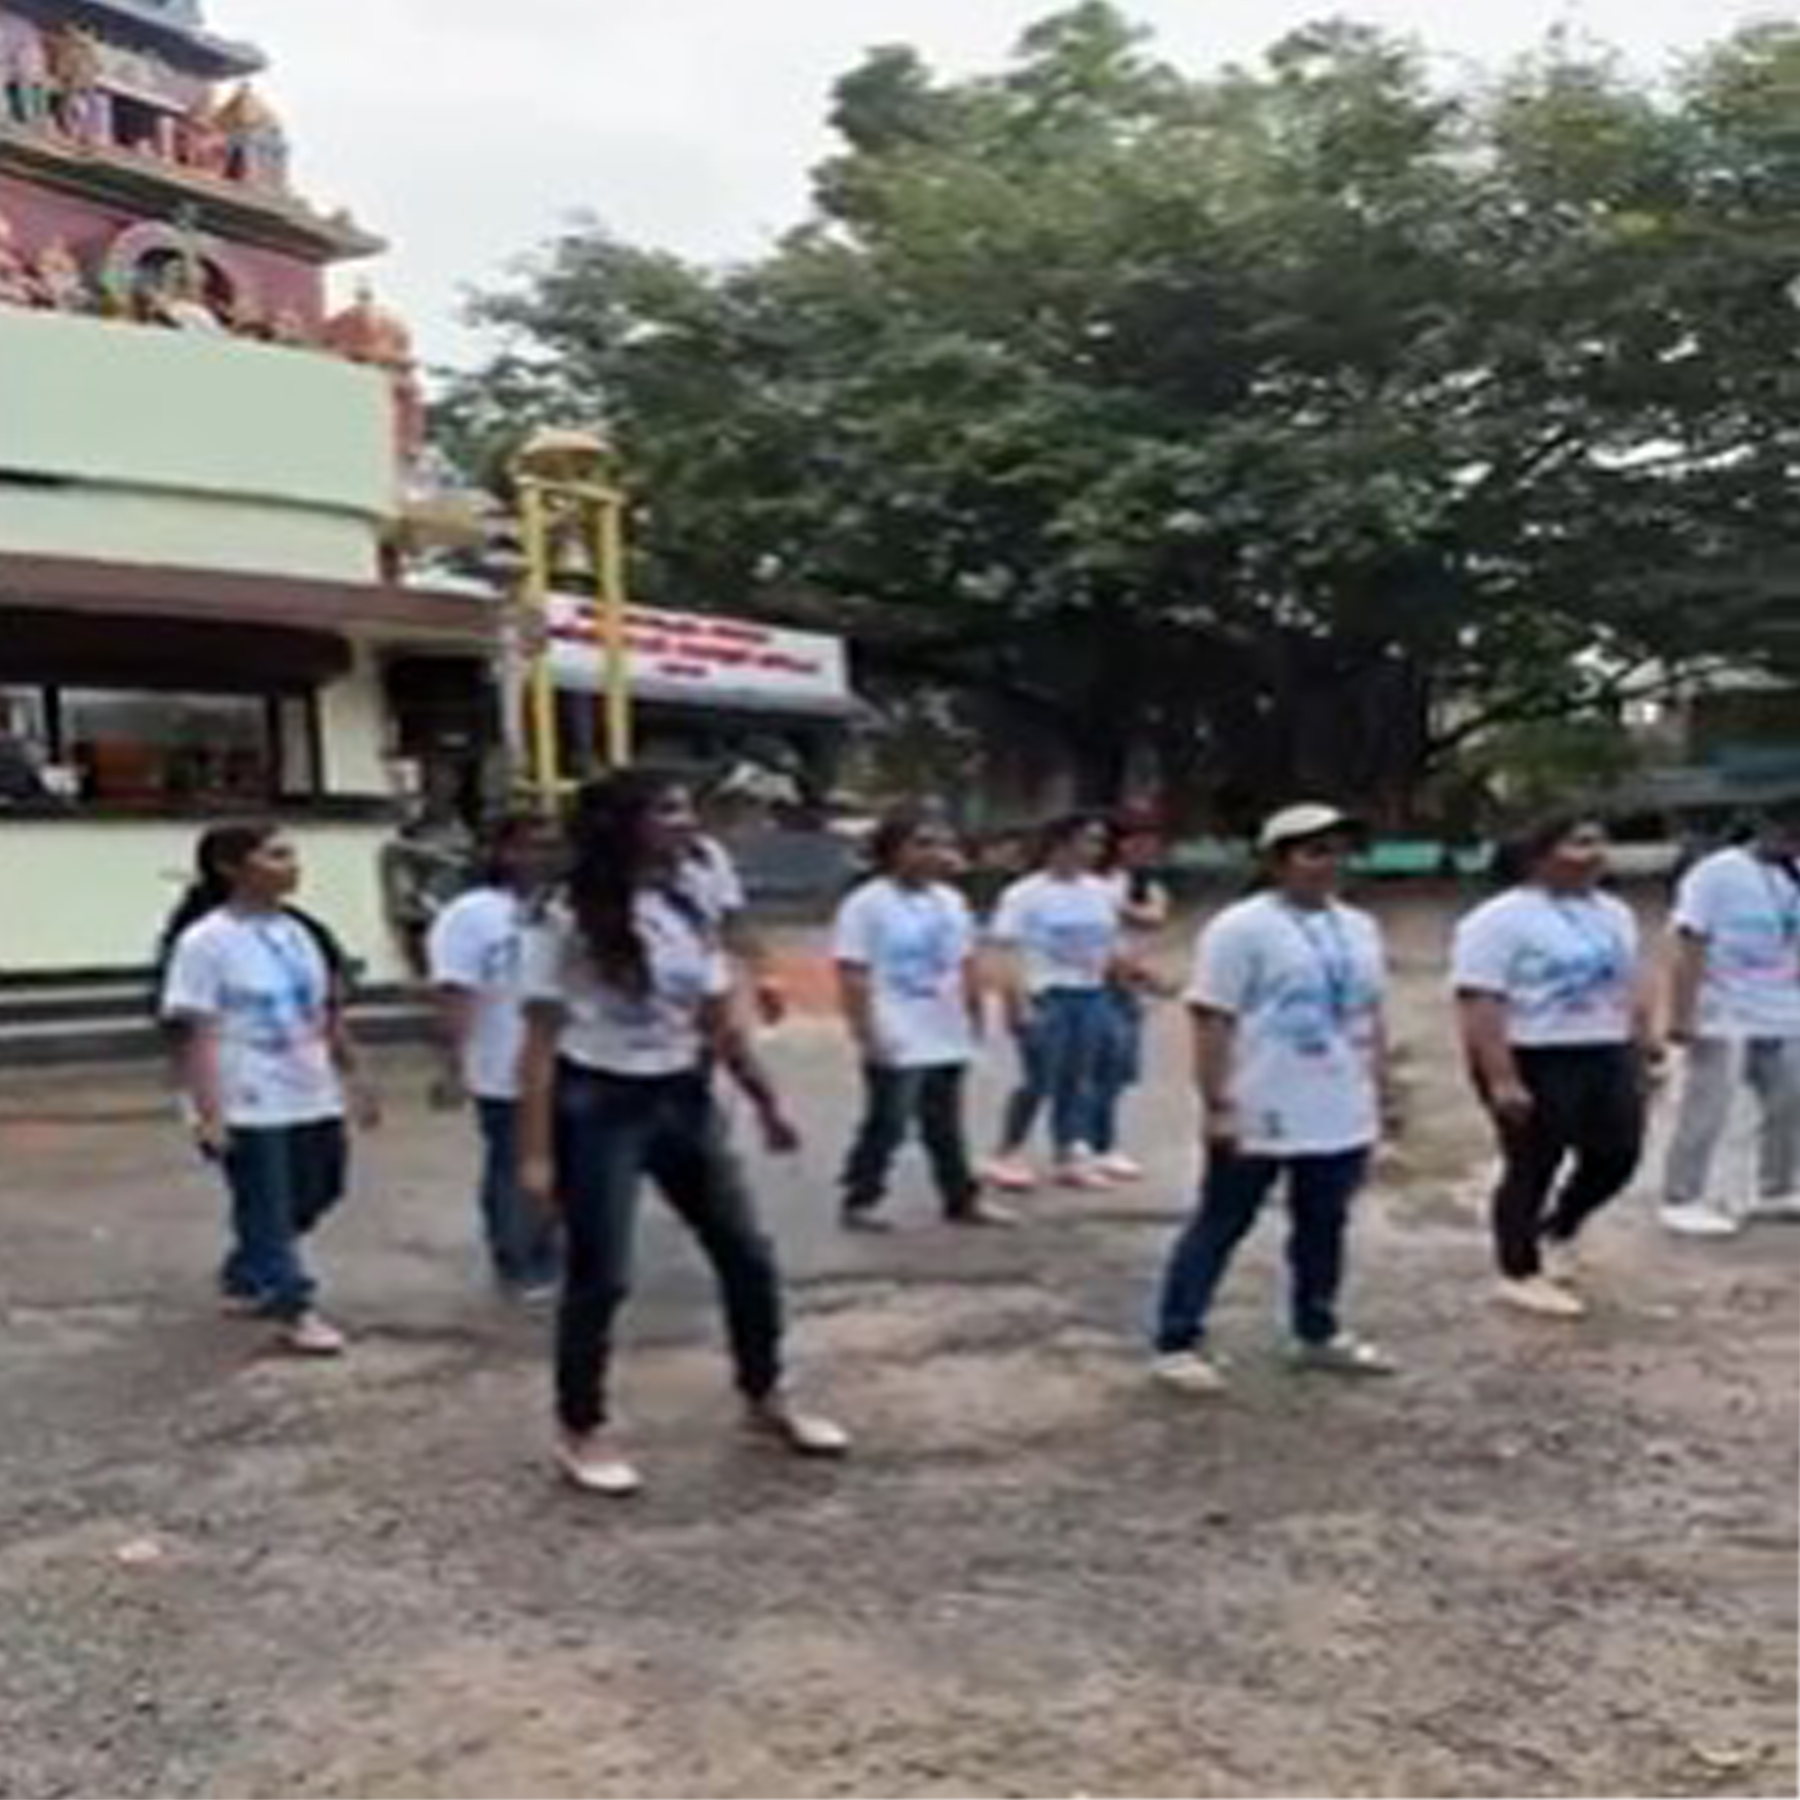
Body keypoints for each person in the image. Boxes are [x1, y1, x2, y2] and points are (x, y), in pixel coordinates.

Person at [518, 771, 848, 1496]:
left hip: (682, 1094)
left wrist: (764, 1101)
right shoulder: (566, 913)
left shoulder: (686, 897)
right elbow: (539, 1041)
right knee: (601, 1275)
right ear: (620, 823)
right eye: (667, 809)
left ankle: (765, 1393)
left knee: (746, 1254)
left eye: (686, 806)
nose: (686, 821)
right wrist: (536, 1155)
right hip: (597, 1100)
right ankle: (582, 1427)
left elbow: (712, 1014)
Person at [1150, 805, 1396, 1392]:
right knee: (1223, 1219)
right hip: (1262, 1097)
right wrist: (1218, 1102)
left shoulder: (1358, 926)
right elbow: (1212, 1016)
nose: (1329, 865)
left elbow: (1369, 1013)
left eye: (1338, 851)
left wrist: (1378, 1088)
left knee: (1324, 1223)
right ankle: (1177, 1339)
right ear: (1277, 861)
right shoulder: (1242, 928)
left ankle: (1316, 1331)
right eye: (1314, 852)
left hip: (1337, 1099)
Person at [159, 822, 378, 1356]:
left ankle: (249, 1267)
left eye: (291, 854)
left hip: (308, 1086)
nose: (291, 866)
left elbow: (326, 1010)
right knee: (266, 1200)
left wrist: (354, 1074)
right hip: (246, 1093)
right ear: (233, 868)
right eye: (275, 855)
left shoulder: (299, 932)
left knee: (320, 1187)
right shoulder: (205, 942)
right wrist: (210, 1112)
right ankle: (292, 1304)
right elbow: (197, 1031)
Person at [1452, 815, 1660, 1318]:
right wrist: (1501, 1076)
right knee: (1533, 1162)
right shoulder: (1498, 920)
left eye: (1598, 842)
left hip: (1603, 1047)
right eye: (1578, 843)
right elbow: (1481, 1000)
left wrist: (1642, 1041)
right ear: (1538, 854)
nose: (1593, 853)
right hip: (1533, 1051)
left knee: (1619, 1155)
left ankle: (1560, 1227)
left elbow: (1630, 981)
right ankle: (1517, 1270)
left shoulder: (1613, 912)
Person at [834, 809, 1014, 1231]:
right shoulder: (867, 905)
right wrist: (866, 1031)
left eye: (941, 843)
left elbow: (965, 961)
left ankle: (960, 1198)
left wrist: (974, 1013)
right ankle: (861, 1196)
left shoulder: (950, 902)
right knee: (890, 1118)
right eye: (922, 843)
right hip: (895, 1022)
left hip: (943, 1022)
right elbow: (853, 971)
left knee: (945, 1120)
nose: (935, 853)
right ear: (893, 850)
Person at [427, 812, 562, 1297]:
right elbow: (454, 992)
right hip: (500, 1065)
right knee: (513, 1161)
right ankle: (517, 1260)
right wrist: (451, 1063)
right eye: (529, 846)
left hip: (566, 1065)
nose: (542, 858)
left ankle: (552, 1253)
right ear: (501, 852)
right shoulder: (470, 915)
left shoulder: (562, 913)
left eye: (551, 846)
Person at [1660, 804, 1800, 1235]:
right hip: (1722, 1009)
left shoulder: (1792, 873)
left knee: (1789, 1099)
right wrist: (1681, 1014)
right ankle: (1681, 1196)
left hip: (1782, 1007)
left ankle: (1774, 1187)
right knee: (1709, 1105)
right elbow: (1690, 942)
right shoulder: (1715, 874)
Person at [984, 814, 1126, 1191]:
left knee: (1079, 1078)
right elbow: (1007, 950)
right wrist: (1016, 1002)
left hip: (1090, 993)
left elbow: (1108, 945)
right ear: (1060, 844)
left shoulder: (1102, 891)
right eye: (1087, 840)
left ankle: (1068, 1151)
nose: (1095, 850)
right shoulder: (1025, 894)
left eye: (1098, 842)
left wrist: (1129, 979)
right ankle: (1006, 1150)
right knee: (1039, 1077)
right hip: (1047, 993)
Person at [1093, 813, 1174, 1182]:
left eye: (1151, 843)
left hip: (1130, 984)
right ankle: (1092, 1145)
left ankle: (1100, 1142)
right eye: (1134, 841)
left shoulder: (1141, 885)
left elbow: (1151, 920)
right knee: (1097, 1067)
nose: (1144, 850)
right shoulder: (1094, 885)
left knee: (1119, 1069)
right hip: (1096, 983)